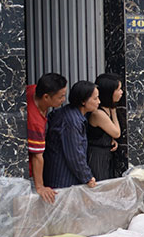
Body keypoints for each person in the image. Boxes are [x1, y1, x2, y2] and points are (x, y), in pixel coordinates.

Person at [44, 80, 99, 190]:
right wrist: (87, 177)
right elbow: (74, 154)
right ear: (83, 101)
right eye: (95, 98)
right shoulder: (72, 121)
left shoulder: (70, 114)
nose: (99, 101)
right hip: (63, 179)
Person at [27, 73, 67, 203]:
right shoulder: (35, 122)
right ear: (46, 97)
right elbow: (37, 156)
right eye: (60, 96)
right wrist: (40, 186)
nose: (64, 99)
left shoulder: (33, 89)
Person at [87, 73, 124, 182]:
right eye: (118, 89)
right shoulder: (98, 113)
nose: (121, 92)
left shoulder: (105, 109)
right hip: (97, 157)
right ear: (109, 93)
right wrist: (114, 112)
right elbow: (116, 133)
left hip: (106, 153)